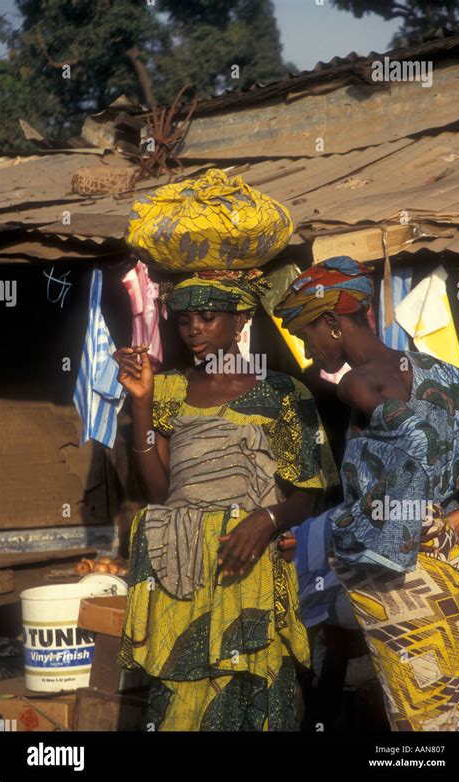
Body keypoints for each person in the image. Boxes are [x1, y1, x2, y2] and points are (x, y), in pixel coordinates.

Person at [115, 269, 338, 731]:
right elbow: (163, 493)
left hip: (249, 568)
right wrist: (141, 404)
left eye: (207, 317)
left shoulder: (281, 394)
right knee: (183, 705)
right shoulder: (169, 391)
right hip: (183, 576)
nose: (193, 329)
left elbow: (308, 492)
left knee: (254, 697)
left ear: (240, 320)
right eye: (184, 319)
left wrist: (267, 518)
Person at [274, 256, 459, 731]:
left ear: (331, 321)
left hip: (403, 588)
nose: (307, 351)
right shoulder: (452, 377)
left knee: (419, 719)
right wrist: (455, 521)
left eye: (306, 335)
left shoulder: (355, 384)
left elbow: (408, 452)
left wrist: (325, 537)